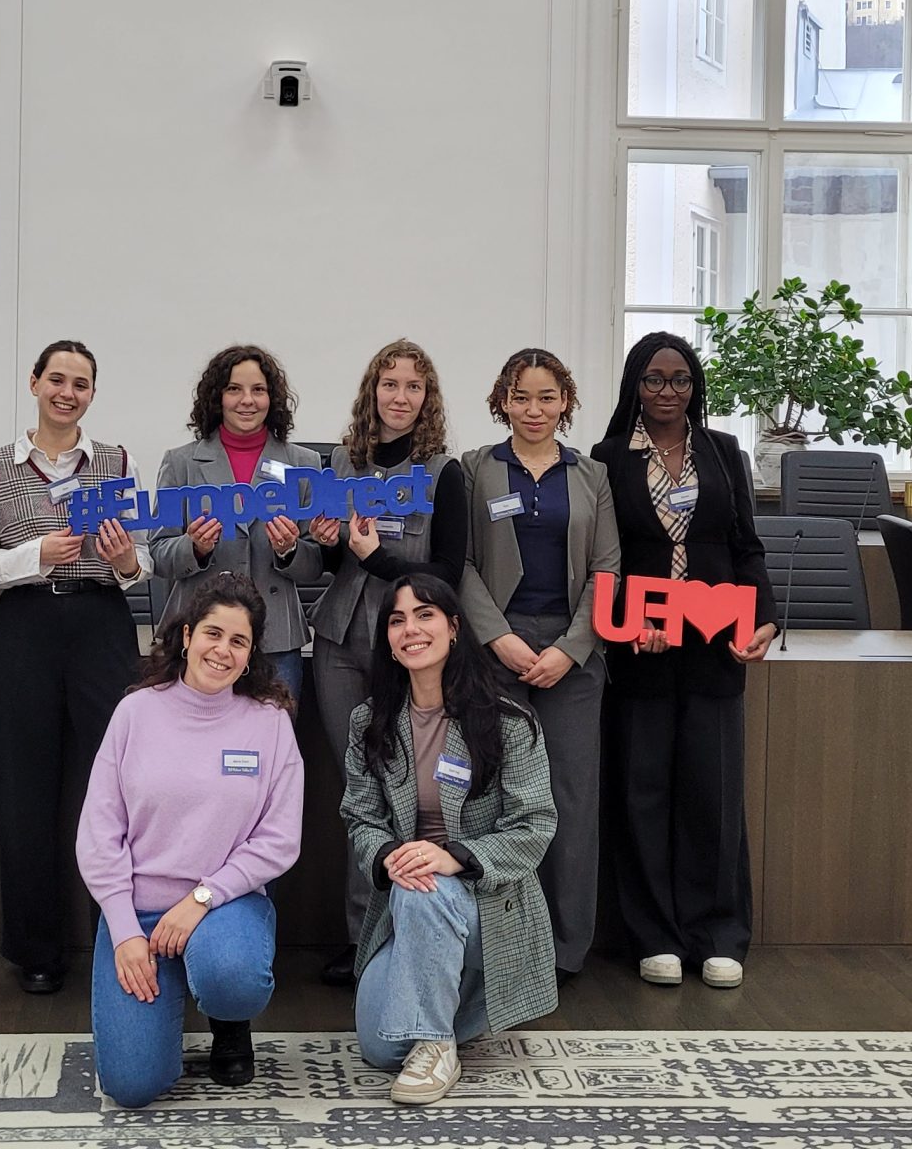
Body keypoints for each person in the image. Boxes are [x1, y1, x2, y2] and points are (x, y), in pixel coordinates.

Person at [592, 332, 779, 991]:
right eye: (653, 379)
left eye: (680, 379)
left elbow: (747, 545)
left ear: (694, 386)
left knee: (712, 791)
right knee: (642, 790)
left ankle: (717, 933)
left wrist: (766, 618)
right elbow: (602, 558)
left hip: (715, 647)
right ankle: (655, 935)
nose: (667, 391)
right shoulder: (608, 458)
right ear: (634, 386)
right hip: (640, 650)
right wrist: (627, 622)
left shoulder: (723, 452)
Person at [0, 340, 149, 996]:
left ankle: (117, 942)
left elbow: (141, 565)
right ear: (34, 383)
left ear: (92, 393)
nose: (68, 393)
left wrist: (125, 560)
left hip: (101, 624)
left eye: (81, 384)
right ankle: (35, 950)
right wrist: (35, 555)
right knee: (24, 792)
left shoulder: (116, 462)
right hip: (25, 625)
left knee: (115, 789)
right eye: (58, 380)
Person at [77, 574, 305, 1108]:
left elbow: (279, 839)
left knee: (233, 978)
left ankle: (222, 1008)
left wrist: (202, 899)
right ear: (186, 636)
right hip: (139, 915)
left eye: (238, 641)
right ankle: (166, 999)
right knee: (132, 1086)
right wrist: (124, 931)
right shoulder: (135, 712)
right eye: (212, 633)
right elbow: (99, 832)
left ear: (250, 656)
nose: (222, 650)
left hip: (223, 905)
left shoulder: (269, 723)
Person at [343, 574, 557, 1106]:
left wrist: (455, 857)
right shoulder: (369, 722)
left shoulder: (508, 722)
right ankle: (452, 997)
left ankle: (437, 1045)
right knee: (380, 1048)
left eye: (425, 615)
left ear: (454, 628)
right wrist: (388, 855)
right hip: (409, 897)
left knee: (426, 886)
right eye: (397, 620)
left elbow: (535, 824)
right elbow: (360, 818)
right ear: (387, 639)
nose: (411, 630)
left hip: (491, 903)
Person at [304, 338, 472, 986]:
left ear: (428, 398)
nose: (400, 397)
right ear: (372, 391)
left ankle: (411, 930)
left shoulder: (443, 472)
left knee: (408, 790)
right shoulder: (342, 463)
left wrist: (376, 559)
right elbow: (325, 566)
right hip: (340, 643)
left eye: (413, 386)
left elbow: (447, 574)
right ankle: (362, 937)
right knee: (362, 792)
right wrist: (324, 542)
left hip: (409, 648)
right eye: (390, 384)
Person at [457, 347, 619, 978]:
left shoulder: (591, 475)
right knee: (496, 800)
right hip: (495, 650)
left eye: (547, 397)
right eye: (520, 397)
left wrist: (570, 650)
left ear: (565, 402)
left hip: (573, 654)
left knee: (570, 799)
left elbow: (606, 569)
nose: (533, 409)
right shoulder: (476, 469)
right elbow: (461, 562)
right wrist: (497, 637)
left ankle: (565, 949)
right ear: (503, 401)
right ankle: (502, 947)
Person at [146, 344, 322, 702]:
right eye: (234, 389)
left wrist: (289, 550)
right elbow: (159, 554)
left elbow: (316, 565)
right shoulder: (181, 463)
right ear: (217, 397)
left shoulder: (304, 463)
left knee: (273, 735)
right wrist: (195, 548)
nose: (247, 400)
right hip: (199, 636)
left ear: (272, 398)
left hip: (276, 640)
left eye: (258, 390)